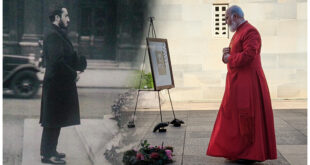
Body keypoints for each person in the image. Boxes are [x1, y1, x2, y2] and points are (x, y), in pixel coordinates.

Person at [206, 5, 277, 163]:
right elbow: (236, 54)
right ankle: (238, 151)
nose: (225, 22)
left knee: (247, 116)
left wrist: (229, 58)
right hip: (238, 83)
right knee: (235, 118)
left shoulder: (251, 31)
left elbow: (248, 56)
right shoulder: (239, 32)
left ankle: (249, 153)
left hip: (248, 84)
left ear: (235, 16)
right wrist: (226, 54)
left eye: (226, 18)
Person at [39, 6, 87, 164]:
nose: (69, 19)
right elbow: (56, 62)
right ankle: (47, 155)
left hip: (59, 84)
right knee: (52, 120)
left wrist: (79, 64)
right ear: (57, 18)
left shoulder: (58, 33)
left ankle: (51, 150)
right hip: (55, 85)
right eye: (66, 16)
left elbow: (65, 57)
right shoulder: (53, 35)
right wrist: (73, 74)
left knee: (56, 119)